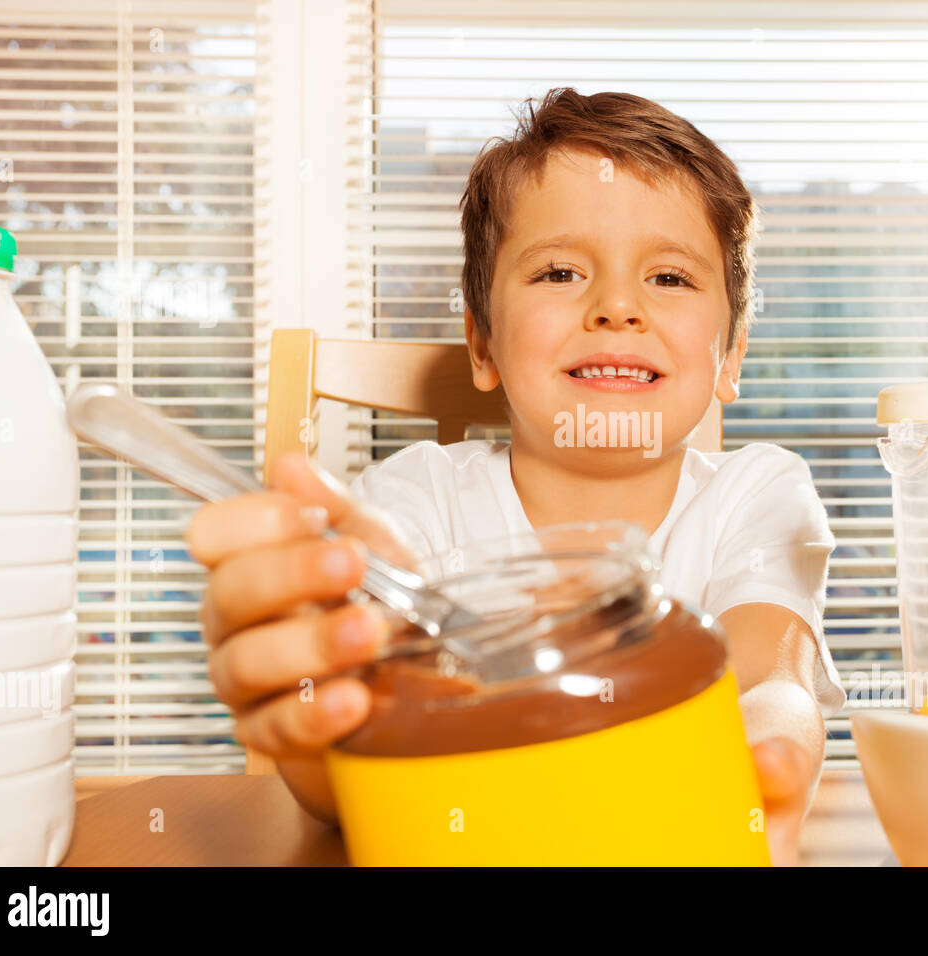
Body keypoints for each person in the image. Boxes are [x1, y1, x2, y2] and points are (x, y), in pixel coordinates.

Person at [187, 88, 845, 865]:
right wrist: (326, 701)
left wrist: (769, 754)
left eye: (670, 279)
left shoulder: (760, 493)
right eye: (560, 271)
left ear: (729, 355)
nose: (618, 306)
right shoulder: (410, 505)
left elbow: (773, 678)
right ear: (483, 342)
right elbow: (337, 785)